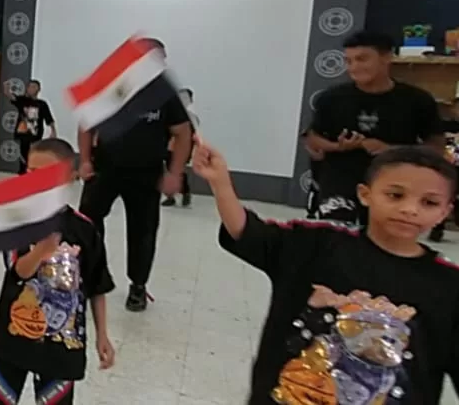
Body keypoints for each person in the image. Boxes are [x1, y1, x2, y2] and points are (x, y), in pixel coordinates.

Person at [193, 139, 459, 405]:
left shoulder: (449, 285)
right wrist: (220, 183)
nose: (410, 209)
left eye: (429, 202)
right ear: (365, 194)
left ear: (444, 212)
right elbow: (248, 234)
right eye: (395, 195)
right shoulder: (316, 244)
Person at [0, 138, 115, 405]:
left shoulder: (85, 229)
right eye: (31, 172)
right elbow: (18, 271)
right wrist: (41, 251)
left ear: (69, 177)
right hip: (14, 337)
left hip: (62, 345)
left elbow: (96, 286)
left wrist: (102, 334)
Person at [76, 38, 191, 312]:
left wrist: (175, 173)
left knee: (143, 231)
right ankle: (91, 275)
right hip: (105, 167)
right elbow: (86, 124)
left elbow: (182, 132)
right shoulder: (111, 85)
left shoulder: (164, 92)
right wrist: (84, 160)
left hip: (146, 173)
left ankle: (138, 285)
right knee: (87, 222)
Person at [306, 30, 442, 225]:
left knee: (382, 236)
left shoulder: (417, 100)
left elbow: (436, 148)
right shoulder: (331, 98)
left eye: (362, 59)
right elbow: (313, 140)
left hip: (394, 181)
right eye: (349, 61)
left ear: (387, 57)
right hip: (340, 178)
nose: (354, 67)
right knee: (338, 232)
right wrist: (339, 146)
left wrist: (391, 150)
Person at [4, 79, 56, 175]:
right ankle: (22, 173)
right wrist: (6, 87)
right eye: (30, 87)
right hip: (23, 132)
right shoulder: (22, 101)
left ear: (38, 89)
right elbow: (10, 96)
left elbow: (49, 119)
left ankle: (33, 172)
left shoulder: (42, 104)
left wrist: (53, 131)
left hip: (36, 134)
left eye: (34, 87)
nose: (31, 89)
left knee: (34, 154)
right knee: (23, 153)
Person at [162, 88, 197, 208]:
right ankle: (170, 197)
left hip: (181, 147)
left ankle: (185, 193)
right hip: (169, 146)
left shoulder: (191, 115)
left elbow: (191, 132)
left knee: (179, 170)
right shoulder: (173, 111)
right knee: (168, 169)